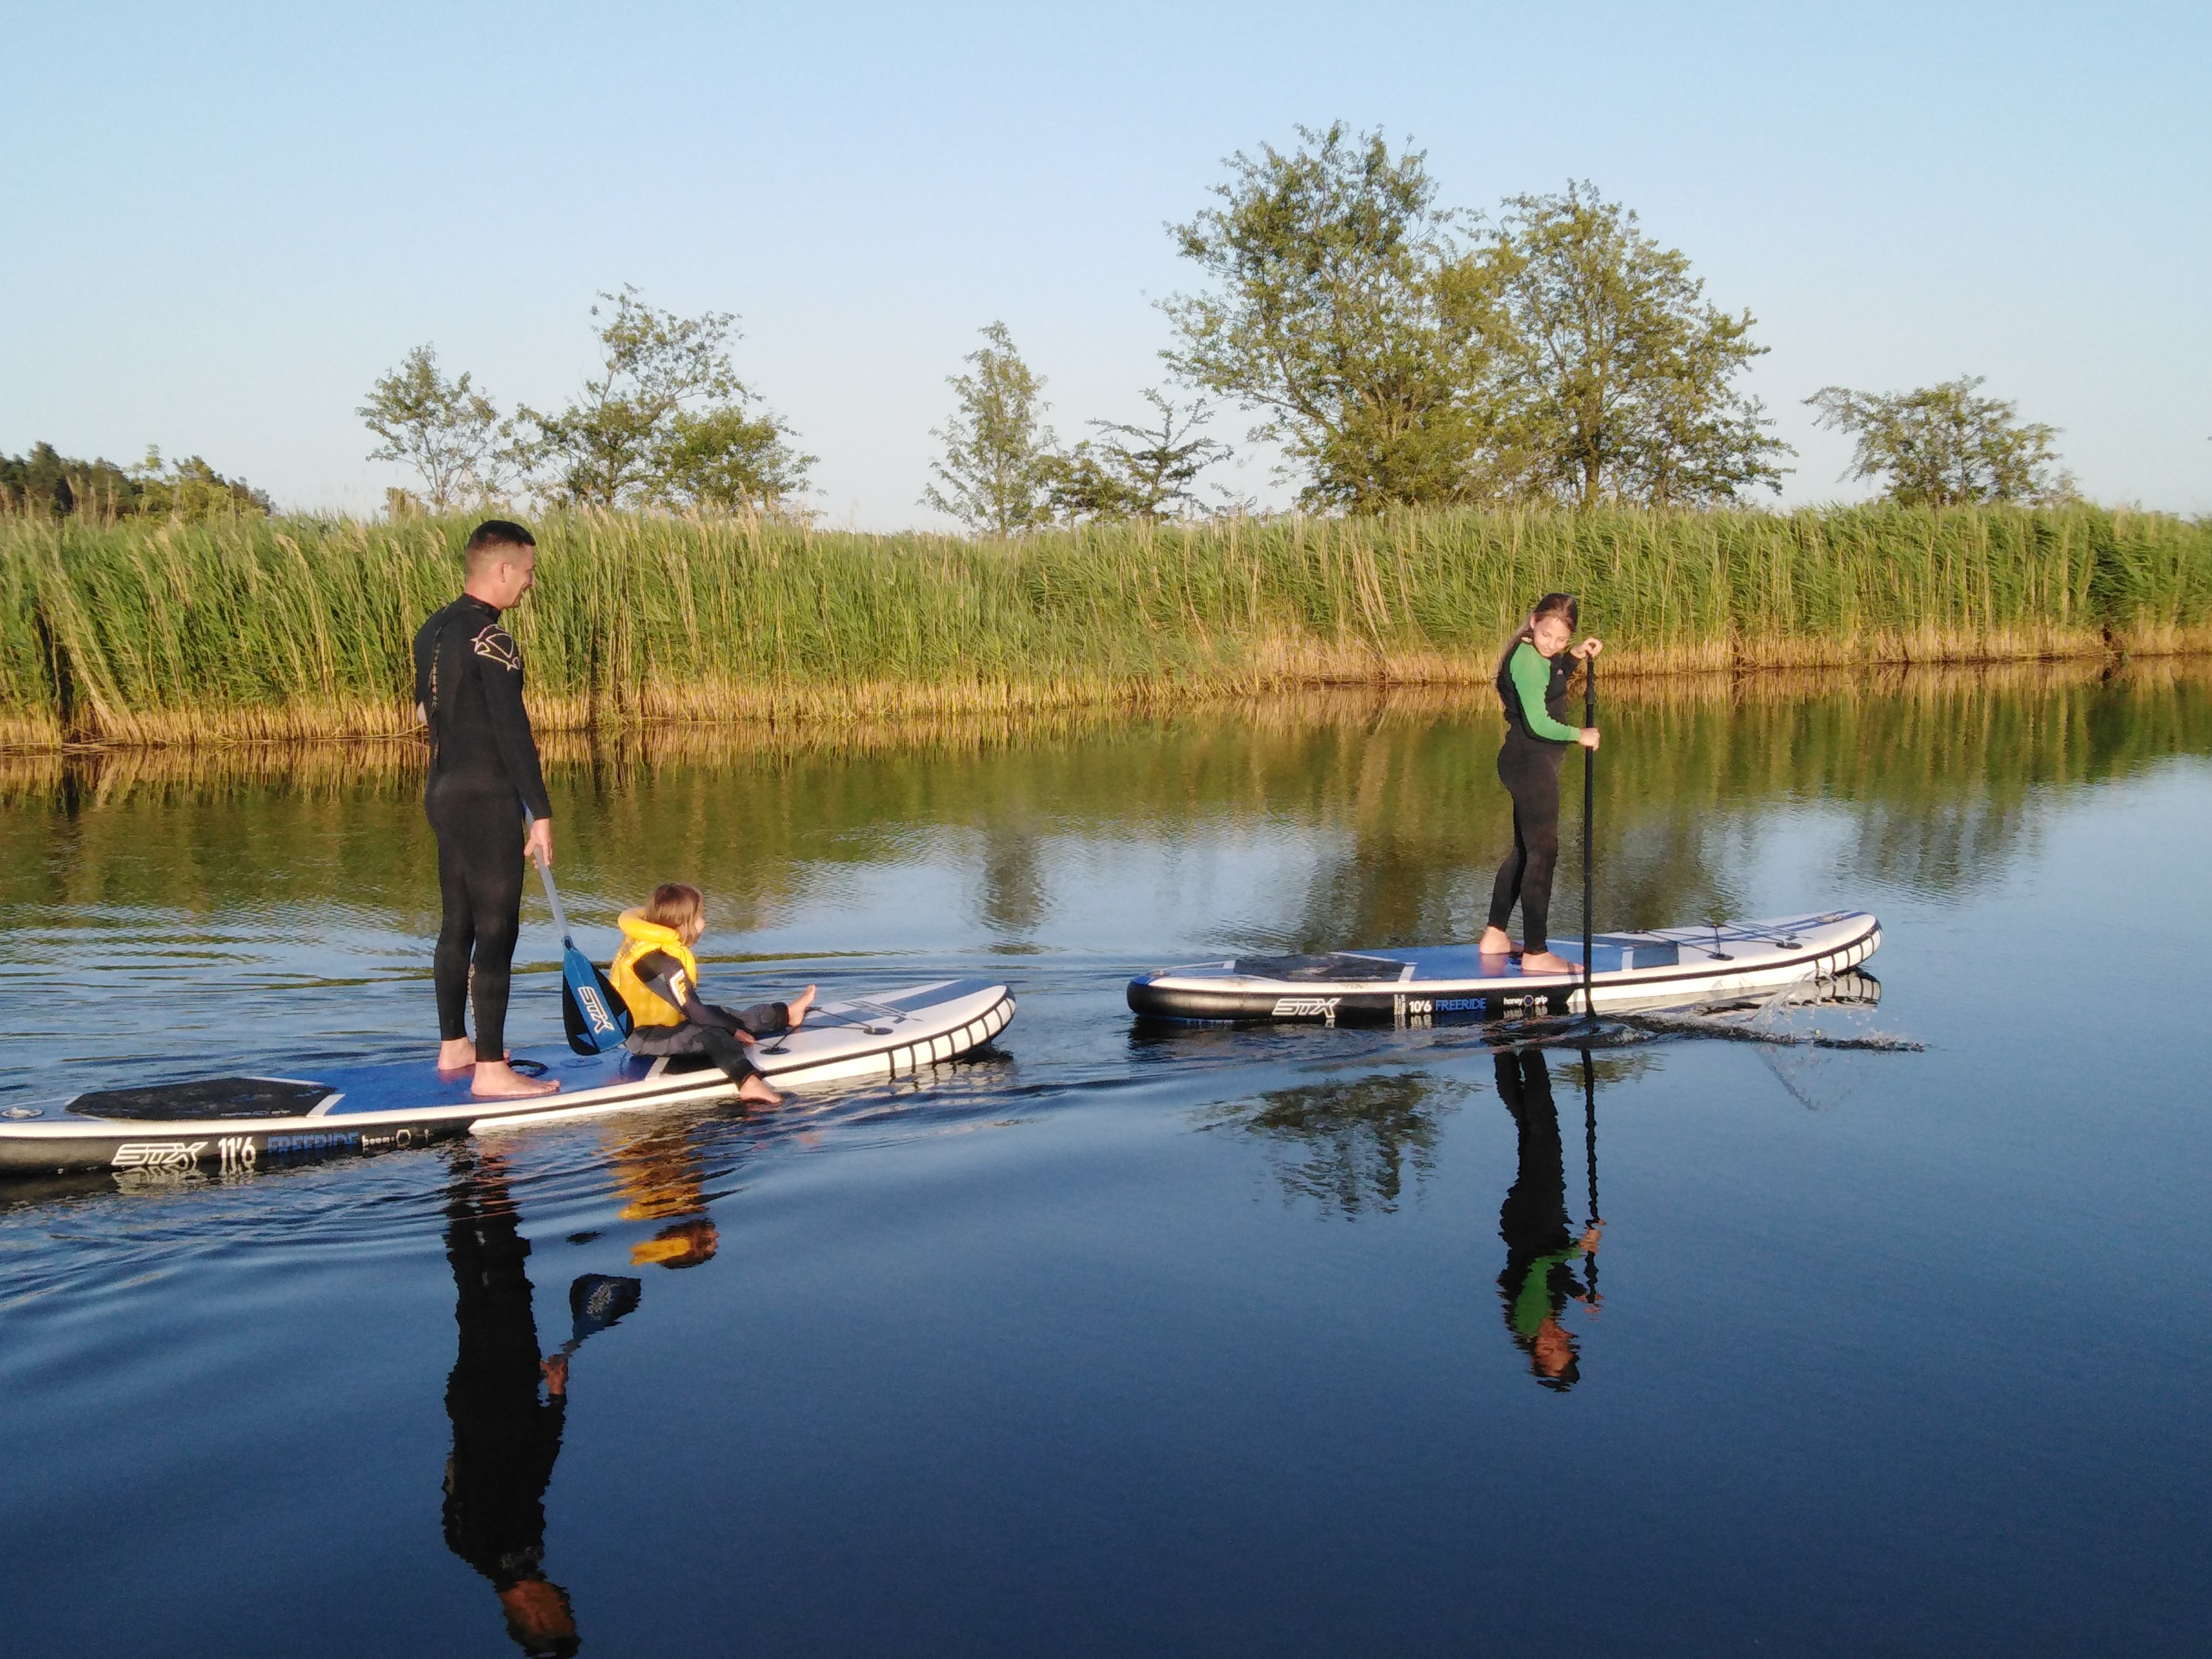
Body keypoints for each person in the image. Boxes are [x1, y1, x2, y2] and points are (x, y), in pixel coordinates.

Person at [414, 520, 559, 1100]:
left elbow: (426, 716)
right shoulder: (493, 640)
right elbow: (513, 732)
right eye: (526, 572)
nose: (530, 583)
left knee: (458, 923)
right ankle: (493, 1071)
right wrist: (540, 812)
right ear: (501, 570)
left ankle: (456, 1045)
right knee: (497, 930)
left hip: (444, 793)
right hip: (487, 796)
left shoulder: (435, 628)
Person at [441, 1152, 581, 1657]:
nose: (565, 1603)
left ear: (536, 1617)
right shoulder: (523, 1554)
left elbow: (507, 1474)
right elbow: (536, 1473)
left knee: (501, 1288)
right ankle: (465, 1186)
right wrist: (556, 1399)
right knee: (481, 1294)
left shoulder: (482, 1549)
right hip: (503, 1399)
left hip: (489, 1398)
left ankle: (480, 1179)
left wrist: (547, 1405)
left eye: (560, 1614)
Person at [1478, 592, 1603, 976]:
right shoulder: (1528, 662)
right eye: (1548, 635)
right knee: (1543, 853)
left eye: (1562, 639)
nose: (1554, 645)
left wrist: (1573, 656)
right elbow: (1538, 722)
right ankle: (1536, 953)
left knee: (1526, 851)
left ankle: (1496, 936)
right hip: (1530, 763)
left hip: (1528, 762)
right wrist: (1579, 735)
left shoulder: (1535, 655)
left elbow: (1549, 676)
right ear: (1534, 623)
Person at [608, 882, 817, 1109]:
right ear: (681, 924)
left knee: (724, 1015)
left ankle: (786, 1014)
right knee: (713, 1033)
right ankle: (749, 1083)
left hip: (665, 1024)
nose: (704, 923)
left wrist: (731, 1024)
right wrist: (733, 1030)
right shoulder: (657, 961)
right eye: (700, 917)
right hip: (644, 1037)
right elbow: (694, 1011)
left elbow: (694, 1009)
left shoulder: (647, 944)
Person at [1493, 1048, 1601, 1390]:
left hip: (1535, 1218)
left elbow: (1539, 1266)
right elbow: (1547, 1279)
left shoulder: (1528, 1321)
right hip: (1530, 1222)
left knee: (1545, 1131)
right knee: (1530, 1129)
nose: (1558, 1339)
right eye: (1564, 1346)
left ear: (1537, 1353)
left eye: (1550, 1350)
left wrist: (1580, 1249)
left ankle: (1532, 1046)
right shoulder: (1544, 1317)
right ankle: (1502, 1050)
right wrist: (1577, 1291)